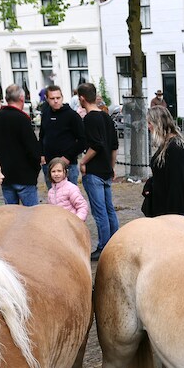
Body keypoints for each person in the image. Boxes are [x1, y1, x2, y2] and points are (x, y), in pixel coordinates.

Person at [77, 82, 120, 260]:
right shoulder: (106, 117)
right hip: (106, 170)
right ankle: (116, 244)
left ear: (81, 98)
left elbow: (96, 145)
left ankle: (103, 246)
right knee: (110, 209)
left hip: (94, 172)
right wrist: (112, 167)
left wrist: (83, 162)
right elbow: (114, 146)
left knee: (100, 211)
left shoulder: (89, 119)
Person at [0, 85, 43, 206]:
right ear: (22, 98)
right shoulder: (22, 119)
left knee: (11, 216)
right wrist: (35, 168)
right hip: (25, 175)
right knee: (31, 215)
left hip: (5, 174)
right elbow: (32, 148)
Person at [145, 105, 184, 217]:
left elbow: (177, 183)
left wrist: (172, 216)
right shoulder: (167, 144)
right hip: (165, 206)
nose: (148, 127)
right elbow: (164, 173)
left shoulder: (174, 148)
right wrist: (150, 184)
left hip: (173, 210)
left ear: (157, 123)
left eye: (150, 123)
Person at [38, 85, 86, 189]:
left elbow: (83, 140)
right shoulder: (45, 114)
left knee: (69, 197)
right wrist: (41, 154)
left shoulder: (72, 116)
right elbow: (42, 136)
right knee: (53, 196)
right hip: (49, 164)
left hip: (67, 165)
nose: (55, 101)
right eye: (52, 98)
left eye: (58, 98)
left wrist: (68, 157)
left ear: (62, 97)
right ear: (47, 99)